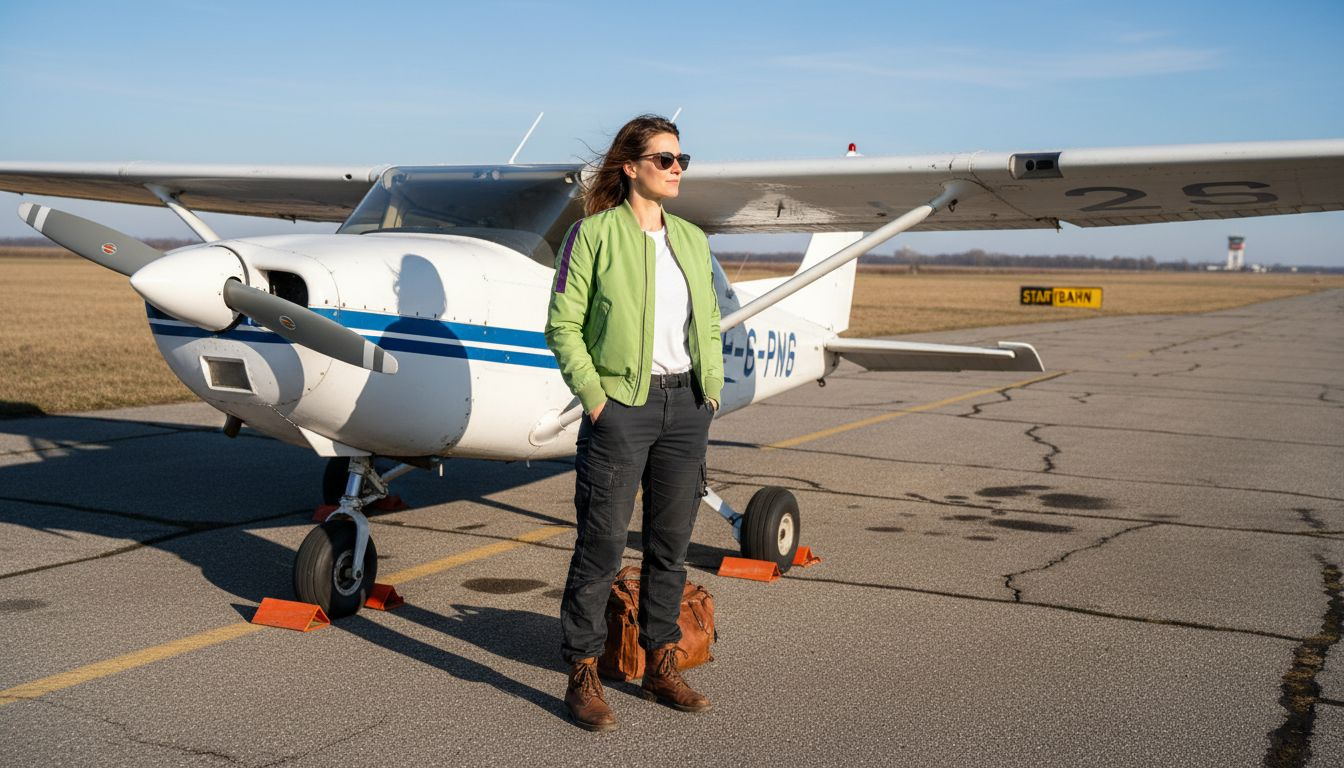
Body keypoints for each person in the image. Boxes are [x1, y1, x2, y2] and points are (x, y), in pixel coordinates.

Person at [545, 114, 724, 731]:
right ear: (632, 166)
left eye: (682, 160)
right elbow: (561, 325)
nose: (677, 169)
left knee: (670, 548)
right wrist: (596, 398)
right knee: (600, 546)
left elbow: (709, 322)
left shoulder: (694, 240)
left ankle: (660, 662)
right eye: (665, 159)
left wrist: (712, 388)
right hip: (622, 406)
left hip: (686, 408)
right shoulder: (592, 236)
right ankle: (584, 670)